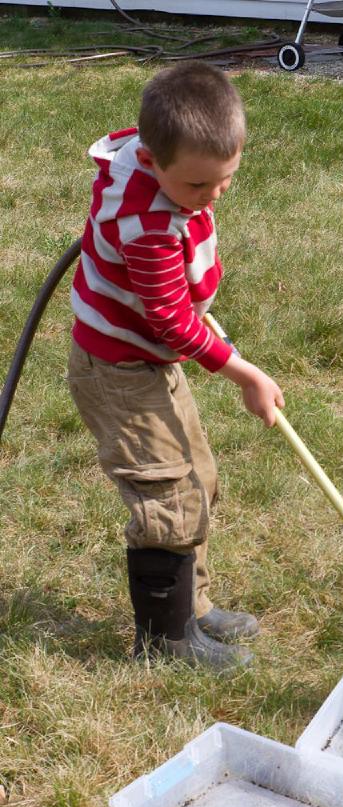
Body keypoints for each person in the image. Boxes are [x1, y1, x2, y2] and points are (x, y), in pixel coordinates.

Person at [67, 61, 284, 671]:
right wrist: (245, 373)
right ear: (152, 159)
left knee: (198, 477)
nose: (212, 196)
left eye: (226, 180)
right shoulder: (148, 223)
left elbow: (171, 309)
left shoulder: (166, 171)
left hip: (144, 357)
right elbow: (168, 322)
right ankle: (166, 640)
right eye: (197, 187)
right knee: (167, 493)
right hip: (119, 370)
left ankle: (194, 606)